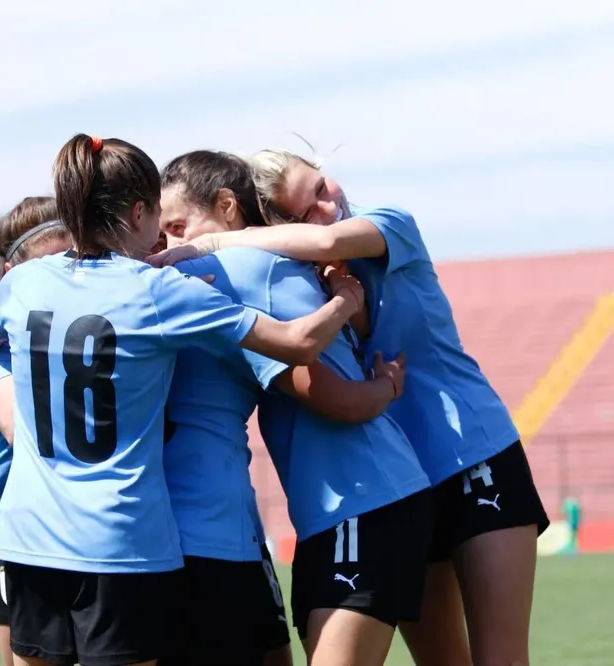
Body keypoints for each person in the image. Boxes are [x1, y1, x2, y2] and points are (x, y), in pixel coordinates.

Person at [149, 147, 551, 666]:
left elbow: (327, 241)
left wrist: (218, 241)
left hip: (471, 452)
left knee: (501, 658)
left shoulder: (384, 226)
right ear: (281, 224)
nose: (324, 206)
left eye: (320, 186)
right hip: (404, 479)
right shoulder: (303, 274)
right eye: (303, 209)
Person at [0, 134, 365, 666]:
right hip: (118, 539)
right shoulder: (156, 290)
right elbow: (298, 343)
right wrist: (345, 299)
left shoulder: (25, 283)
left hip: (28, 537)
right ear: (139, 211)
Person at [160, 150, 432, 666]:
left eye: (178, 226)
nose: (171, 244)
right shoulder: (262, 265)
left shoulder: (235, 270)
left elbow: (331, 395)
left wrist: (385, 390)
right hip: (339, 509)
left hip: (363, 499)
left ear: (226, 206)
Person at [0, 196, 73, 666]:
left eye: (69, 259)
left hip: (73, 514)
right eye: (45, 265)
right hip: (3, 525)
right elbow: (22, 434)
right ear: (13, 272)